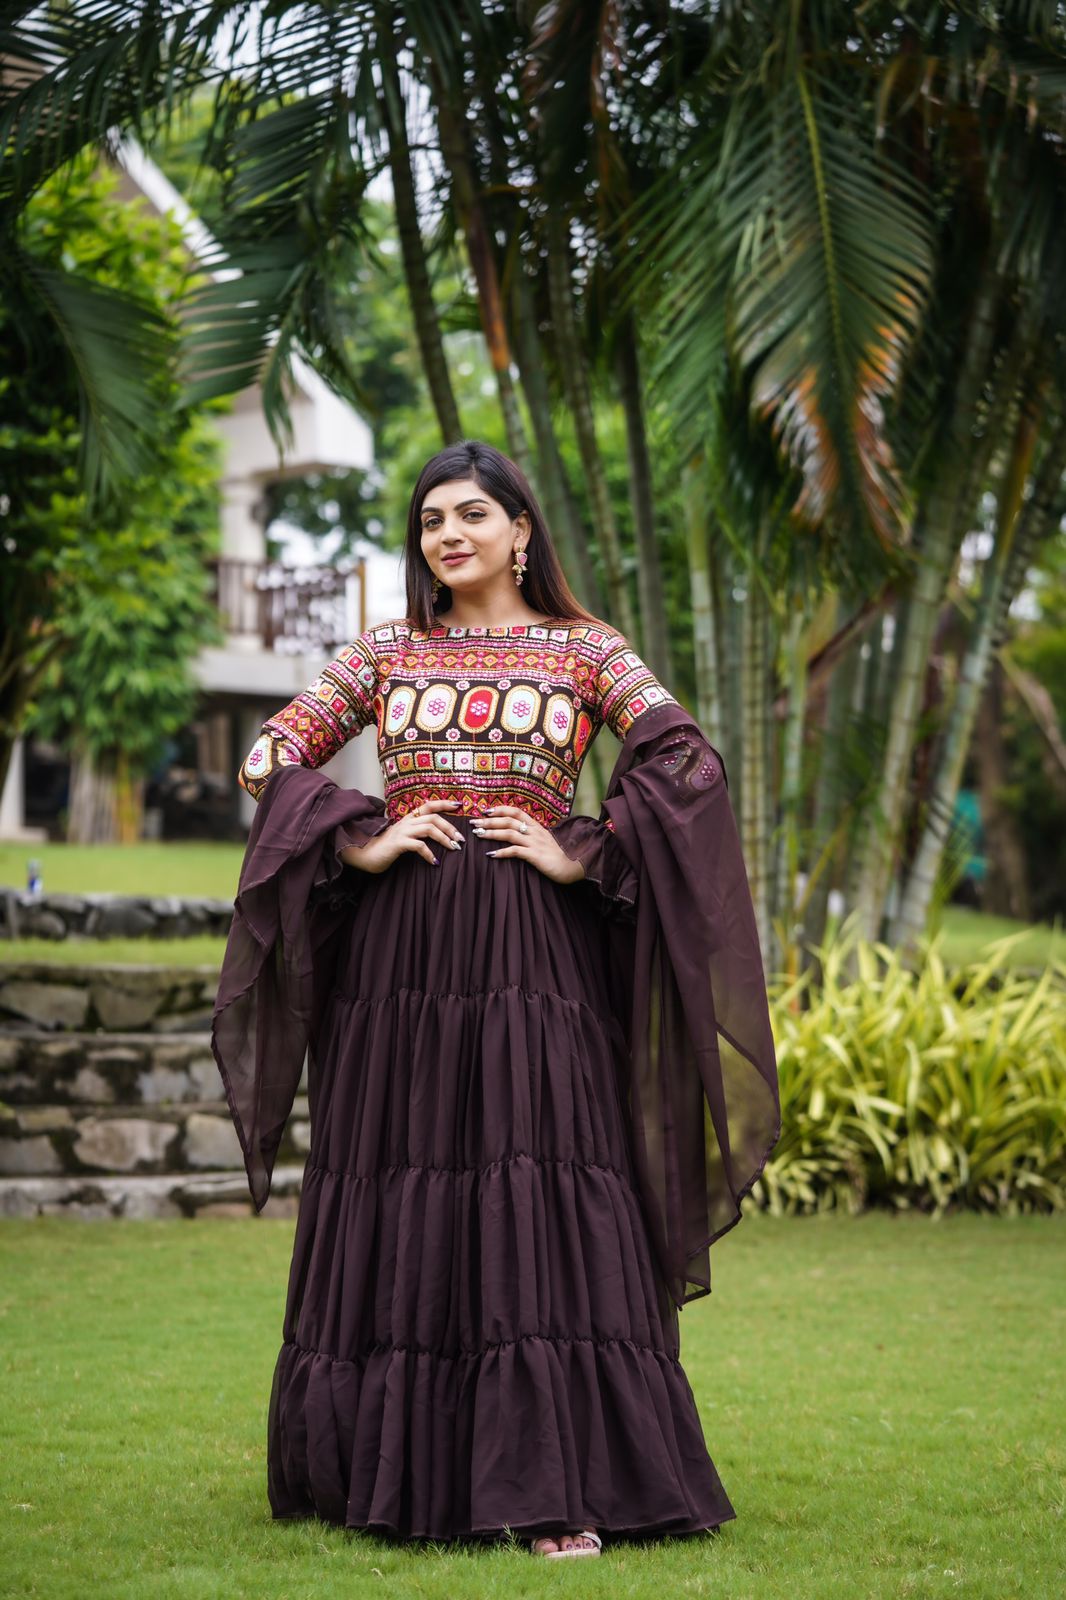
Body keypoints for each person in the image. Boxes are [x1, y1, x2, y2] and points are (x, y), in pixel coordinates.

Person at [212, 439, 781, 1558]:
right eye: (430, 520)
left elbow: (685, 762)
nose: (448, 535)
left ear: (522, 529)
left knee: (540, 1182)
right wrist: (361, 836)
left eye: (471, 513)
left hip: (533, 956)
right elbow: (265, 757)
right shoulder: (385, 650)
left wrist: (587, 851)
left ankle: (554, 1483)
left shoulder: (586, 651)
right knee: (410, 1180)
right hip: (404, 965)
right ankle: (393, 1474)